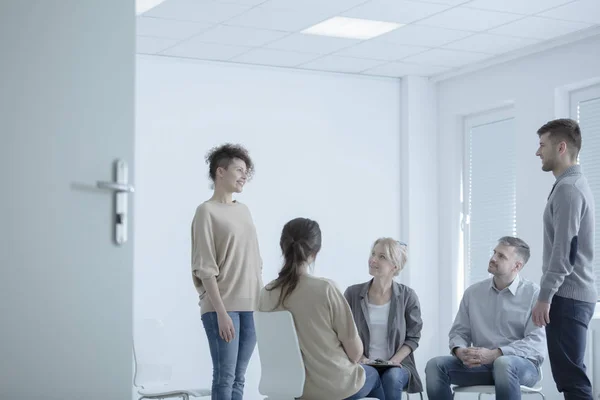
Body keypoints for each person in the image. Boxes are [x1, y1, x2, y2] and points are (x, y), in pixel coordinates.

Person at [259, 218, 384, 400]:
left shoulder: (265, 294)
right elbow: (356, 353)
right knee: (375, 375)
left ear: (283, 247)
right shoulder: (325, 289)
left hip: (288, 390)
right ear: (315, 252)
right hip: (333, 387)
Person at [426, 237, 546, 400]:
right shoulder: (473, 293)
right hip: (481, 365)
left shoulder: (534, 294)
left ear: (517, 266)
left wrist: (496, 354)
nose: (493, 258)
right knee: (435, 366)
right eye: (494, 252)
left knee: (503, 363)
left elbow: (535, 343)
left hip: (521, 368)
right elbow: (459, 332)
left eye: (501, 256)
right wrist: (460, 351)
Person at [191, 143, 263, 400]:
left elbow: (255, 260)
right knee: (225, 376)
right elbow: (205, 266)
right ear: (220, 172)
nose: (244, 176)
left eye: (247, 172)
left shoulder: (244, 210)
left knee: (239, 379)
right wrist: (221, 313)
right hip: (222, 306)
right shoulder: (206, 212)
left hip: (251, 306)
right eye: (239, 170)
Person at [532, 118, 597, 399]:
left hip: (567, 296)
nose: (538, 152)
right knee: (571, 377)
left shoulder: (569, 189)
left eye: (542, 145)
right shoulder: (570, 184)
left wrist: (545, 297)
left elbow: (565, 251)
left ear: (561, 147)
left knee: (572, 381)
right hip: (571, 295)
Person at [344, 238, 424, 399]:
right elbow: (344, 333)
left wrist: (394, 361)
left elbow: (413, 337)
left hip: (398, 365)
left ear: (394, 266)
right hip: (362, 363)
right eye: (373, 254)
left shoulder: (408, 296)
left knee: (392, 378)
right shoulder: (352, 294)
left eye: (382, 257)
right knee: (360, 380)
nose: (373, 260)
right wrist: (361, 358)